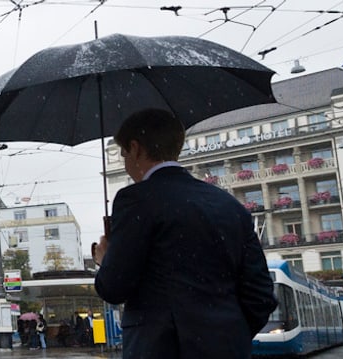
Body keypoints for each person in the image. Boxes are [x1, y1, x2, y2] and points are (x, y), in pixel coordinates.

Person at [93, 108, 277, 359]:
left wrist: (105, 259)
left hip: (161, 349)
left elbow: (114, 288)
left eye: (125, 154)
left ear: (136, 149)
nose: (126, 163)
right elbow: (261, 296)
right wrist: (227, 334)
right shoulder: (229, 205)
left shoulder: (136, 200)